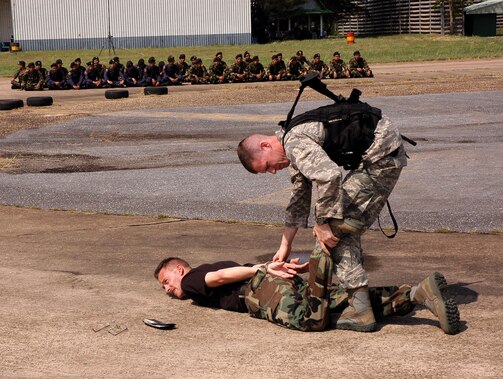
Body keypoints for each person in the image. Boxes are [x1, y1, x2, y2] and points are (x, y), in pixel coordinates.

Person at [237, 86, 408, 332]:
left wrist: (322, 222)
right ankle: (364, 306)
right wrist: (285, 245)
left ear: (265, 145)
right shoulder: (291, 143)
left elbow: (329, 176)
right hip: (382, 154)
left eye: (267, 166)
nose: (273, 171)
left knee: (332, 233)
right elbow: (299, 197)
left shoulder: (294, 143)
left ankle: (360, 310)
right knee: (338, 232)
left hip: (380, 159)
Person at [154, 256, 460, 334]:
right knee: (351, 306)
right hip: (270, 282)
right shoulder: (211, 267)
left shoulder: (193, 279)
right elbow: (235, 271)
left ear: (179, 269)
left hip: (261, 292)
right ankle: (419, 293)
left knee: (310, 320)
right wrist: (277, 268)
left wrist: (261, 267)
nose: (169, 290)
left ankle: (322, 261)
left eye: (167, 281)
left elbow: (219, 278)